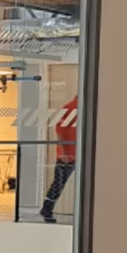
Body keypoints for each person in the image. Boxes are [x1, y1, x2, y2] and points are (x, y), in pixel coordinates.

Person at [40, 94, 77, 223]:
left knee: (58, 184)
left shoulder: (76, 108)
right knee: (58, 184)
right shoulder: (70, 108)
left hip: (74, 155)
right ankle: (47, 209)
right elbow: (60, 131)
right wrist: (64, 153)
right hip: (68, 156)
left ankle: (47, 209)